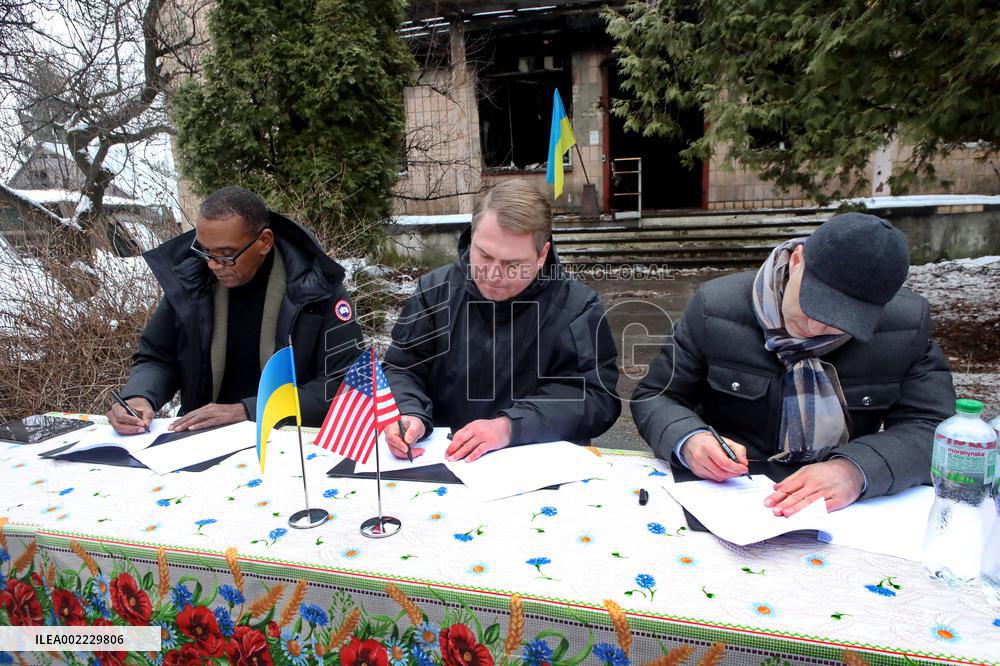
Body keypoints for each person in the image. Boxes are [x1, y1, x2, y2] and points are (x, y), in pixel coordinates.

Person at [632, 213, 955, 516]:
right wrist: (688, 439)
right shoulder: (715, 308)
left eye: (839, 320)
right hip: (729, 494)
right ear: (797, 260)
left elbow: (931, 427)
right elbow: (657, 395)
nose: (814, 328)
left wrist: (856, 469)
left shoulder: (905, 327)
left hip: (843, 510)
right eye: (813, 304)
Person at [383, 180, 621, 462]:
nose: (494, 274)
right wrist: (410, 412)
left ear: (542, 255)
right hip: (440, 461)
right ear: (472, 238)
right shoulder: (434, 291)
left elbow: (595, 398)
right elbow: (403, 367)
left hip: (533, 469)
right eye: (484, 255)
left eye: (513, 264)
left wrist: (511, 427)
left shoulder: (578, 307)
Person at [108, 186, 363, 434]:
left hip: (289, 440)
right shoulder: (190, 282)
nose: (213, 265)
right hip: (202, 437)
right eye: (205, 251)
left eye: (226, 254)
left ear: (264, 241)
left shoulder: (318, 290)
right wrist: (140, 396)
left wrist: (248, 411)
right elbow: (158, 356)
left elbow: (342, 384)